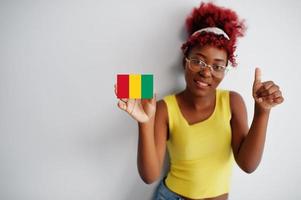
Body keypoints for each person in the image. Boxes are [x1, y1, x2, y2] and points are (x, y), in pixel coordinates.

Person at [115, 2, 284, 200]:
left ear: (225, 71)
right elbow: (149, 176)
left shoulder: (233, 102)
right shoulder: (163, 107)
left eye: (217, 66)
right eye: (198, 61)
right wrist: (144, 123)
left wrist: (262, 112)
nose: (206, 72)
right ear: (184, 61)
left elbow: (248, 165)